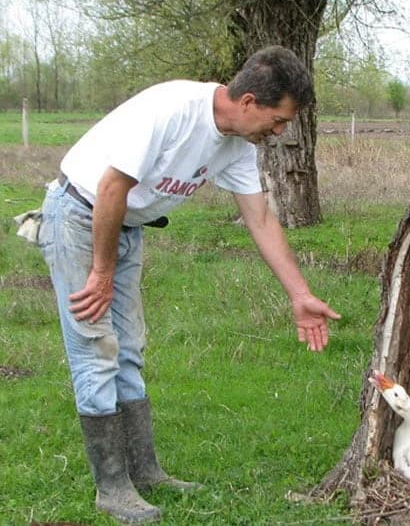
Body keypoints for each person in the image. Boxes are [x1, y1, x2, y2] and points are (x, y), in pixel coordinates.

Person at [37, 45, 341, 523]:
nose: (280, 132)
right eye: (279, 120)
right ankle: (112, 488)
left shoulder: (238, 145)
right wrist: (102, 272)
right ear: (248, 102)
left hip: (125, 225)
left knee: (129, 348)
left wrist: (300, 295)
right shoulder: (173, 109)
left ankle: (145, 472)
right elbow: (111, 187)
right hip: (81, 215)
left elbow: (260, 218)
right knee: (96, 347)